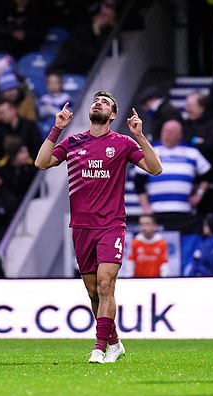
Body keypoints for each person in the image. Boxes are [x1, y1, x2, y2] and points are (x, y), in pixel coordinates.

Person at [35, 92, 162, 363]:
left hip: (111, 225)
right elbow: (41, 162)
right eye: (96, 100)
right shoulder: (73, 142)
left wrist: (140, 135)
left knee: (106, 284)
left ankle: (99, 347)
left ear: (113, 115)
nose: (98, 103)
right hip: (81, 227)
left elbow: (155, 168)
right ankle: (114, 342)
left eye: (105, 102)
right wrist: (57, 128)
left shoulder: (122, 143)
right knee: (93, 292)